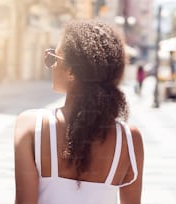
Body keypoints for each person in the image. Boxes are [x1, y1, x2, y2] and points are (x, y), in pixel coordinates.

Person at [14, 20, 144, 204]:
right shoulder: (130, 139)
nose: (51, 66)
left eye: (53, 59)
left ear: (71, 72)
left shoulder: (30, 127)